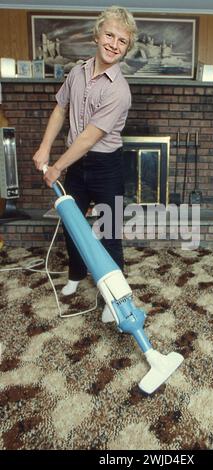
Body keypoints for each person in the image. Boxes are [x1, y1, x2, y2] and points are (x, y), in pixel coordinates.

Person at [33, 6, 137, 321]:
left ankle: (115, 301)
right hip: (77, 166)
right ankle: (76, 274)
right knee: (73, 224)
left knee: (110, 232)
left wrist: (56, 167)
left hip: (107, 166)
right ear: (97, 34)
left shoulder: (119, 90)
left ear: (126, 49)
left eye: (122, 41)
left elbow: (88, 139)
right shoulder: (76, 72)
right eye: (110, 35)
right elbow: (60, 109)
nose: (114, 44)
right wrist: (44, 147)